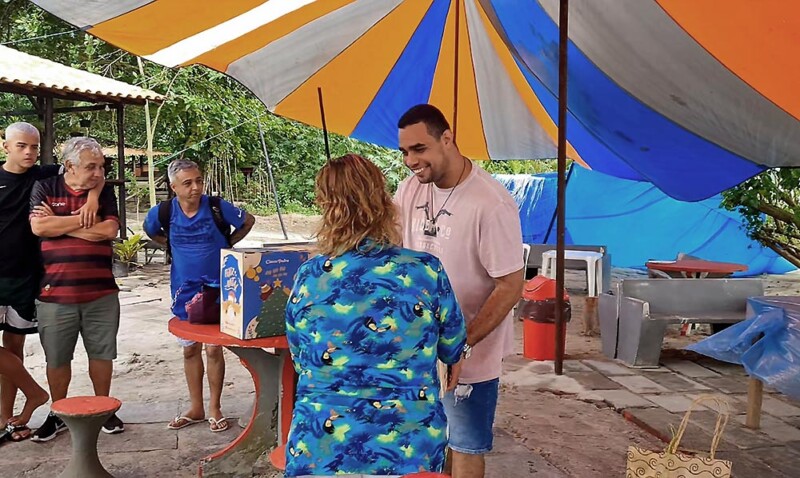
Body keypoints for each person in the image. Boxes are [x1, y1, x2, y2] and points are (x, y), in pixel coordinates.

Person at [284, 153, 467, 477]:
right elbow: (452, 347)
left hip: (319, 450)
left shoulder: (309, 276)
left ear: (326, 207)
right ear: (383, 201)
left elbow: (302, 359)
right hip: (410, 448)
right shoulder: (425, 270)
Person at [395, 104, 524, 478]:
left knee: (465, 444)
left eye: (419, 149)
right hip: (417, 347)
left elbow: (511, 285)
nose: (410, 161)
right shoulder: (408, 191)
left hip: (470, 349)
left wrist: (460, 345)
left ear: (447, 139)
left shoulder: (491, 202)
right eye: (404, 152)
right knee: (425, 442)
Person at [0, 123, 99, 442]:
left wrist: (94, 198)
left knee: (13, 348)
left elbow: (92, 171)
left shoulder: (45, 175)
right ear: (6, 147)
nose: (29, 152)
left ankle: (8, 420)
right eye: (21, 146)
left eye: (34, 146)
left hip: (26, 277)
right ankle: (34, 393)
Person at [143, 159, 255, 433]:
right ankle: (196, 408)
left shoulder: (216, 207)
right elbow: (150, 231)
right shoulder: (164, 212)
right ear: (173, 187)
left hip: (219, 289)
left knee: (214, 348)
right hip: (184, 292)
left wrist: (229, 244)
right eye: (188, 183)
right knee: (190, 348)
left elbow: (248, 220)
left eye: (199, 181)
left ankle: (215, 408)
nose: (196, 188)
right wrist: (171, 244)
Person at [29, 136, 123, 442]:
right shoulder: (45, 188)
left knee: (102, 354)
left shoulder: (103, 192)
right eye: (91, 166)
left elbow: (109, 231)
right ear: (69, 166)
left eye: (101, 166)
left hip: (101, 293)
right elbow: (40, 228)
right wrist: (80, 222)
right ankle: (58, 412)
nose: (98, 173)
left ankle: (104, 408)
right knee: (57, 359)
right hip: (55, 293)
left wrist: (61, 221)